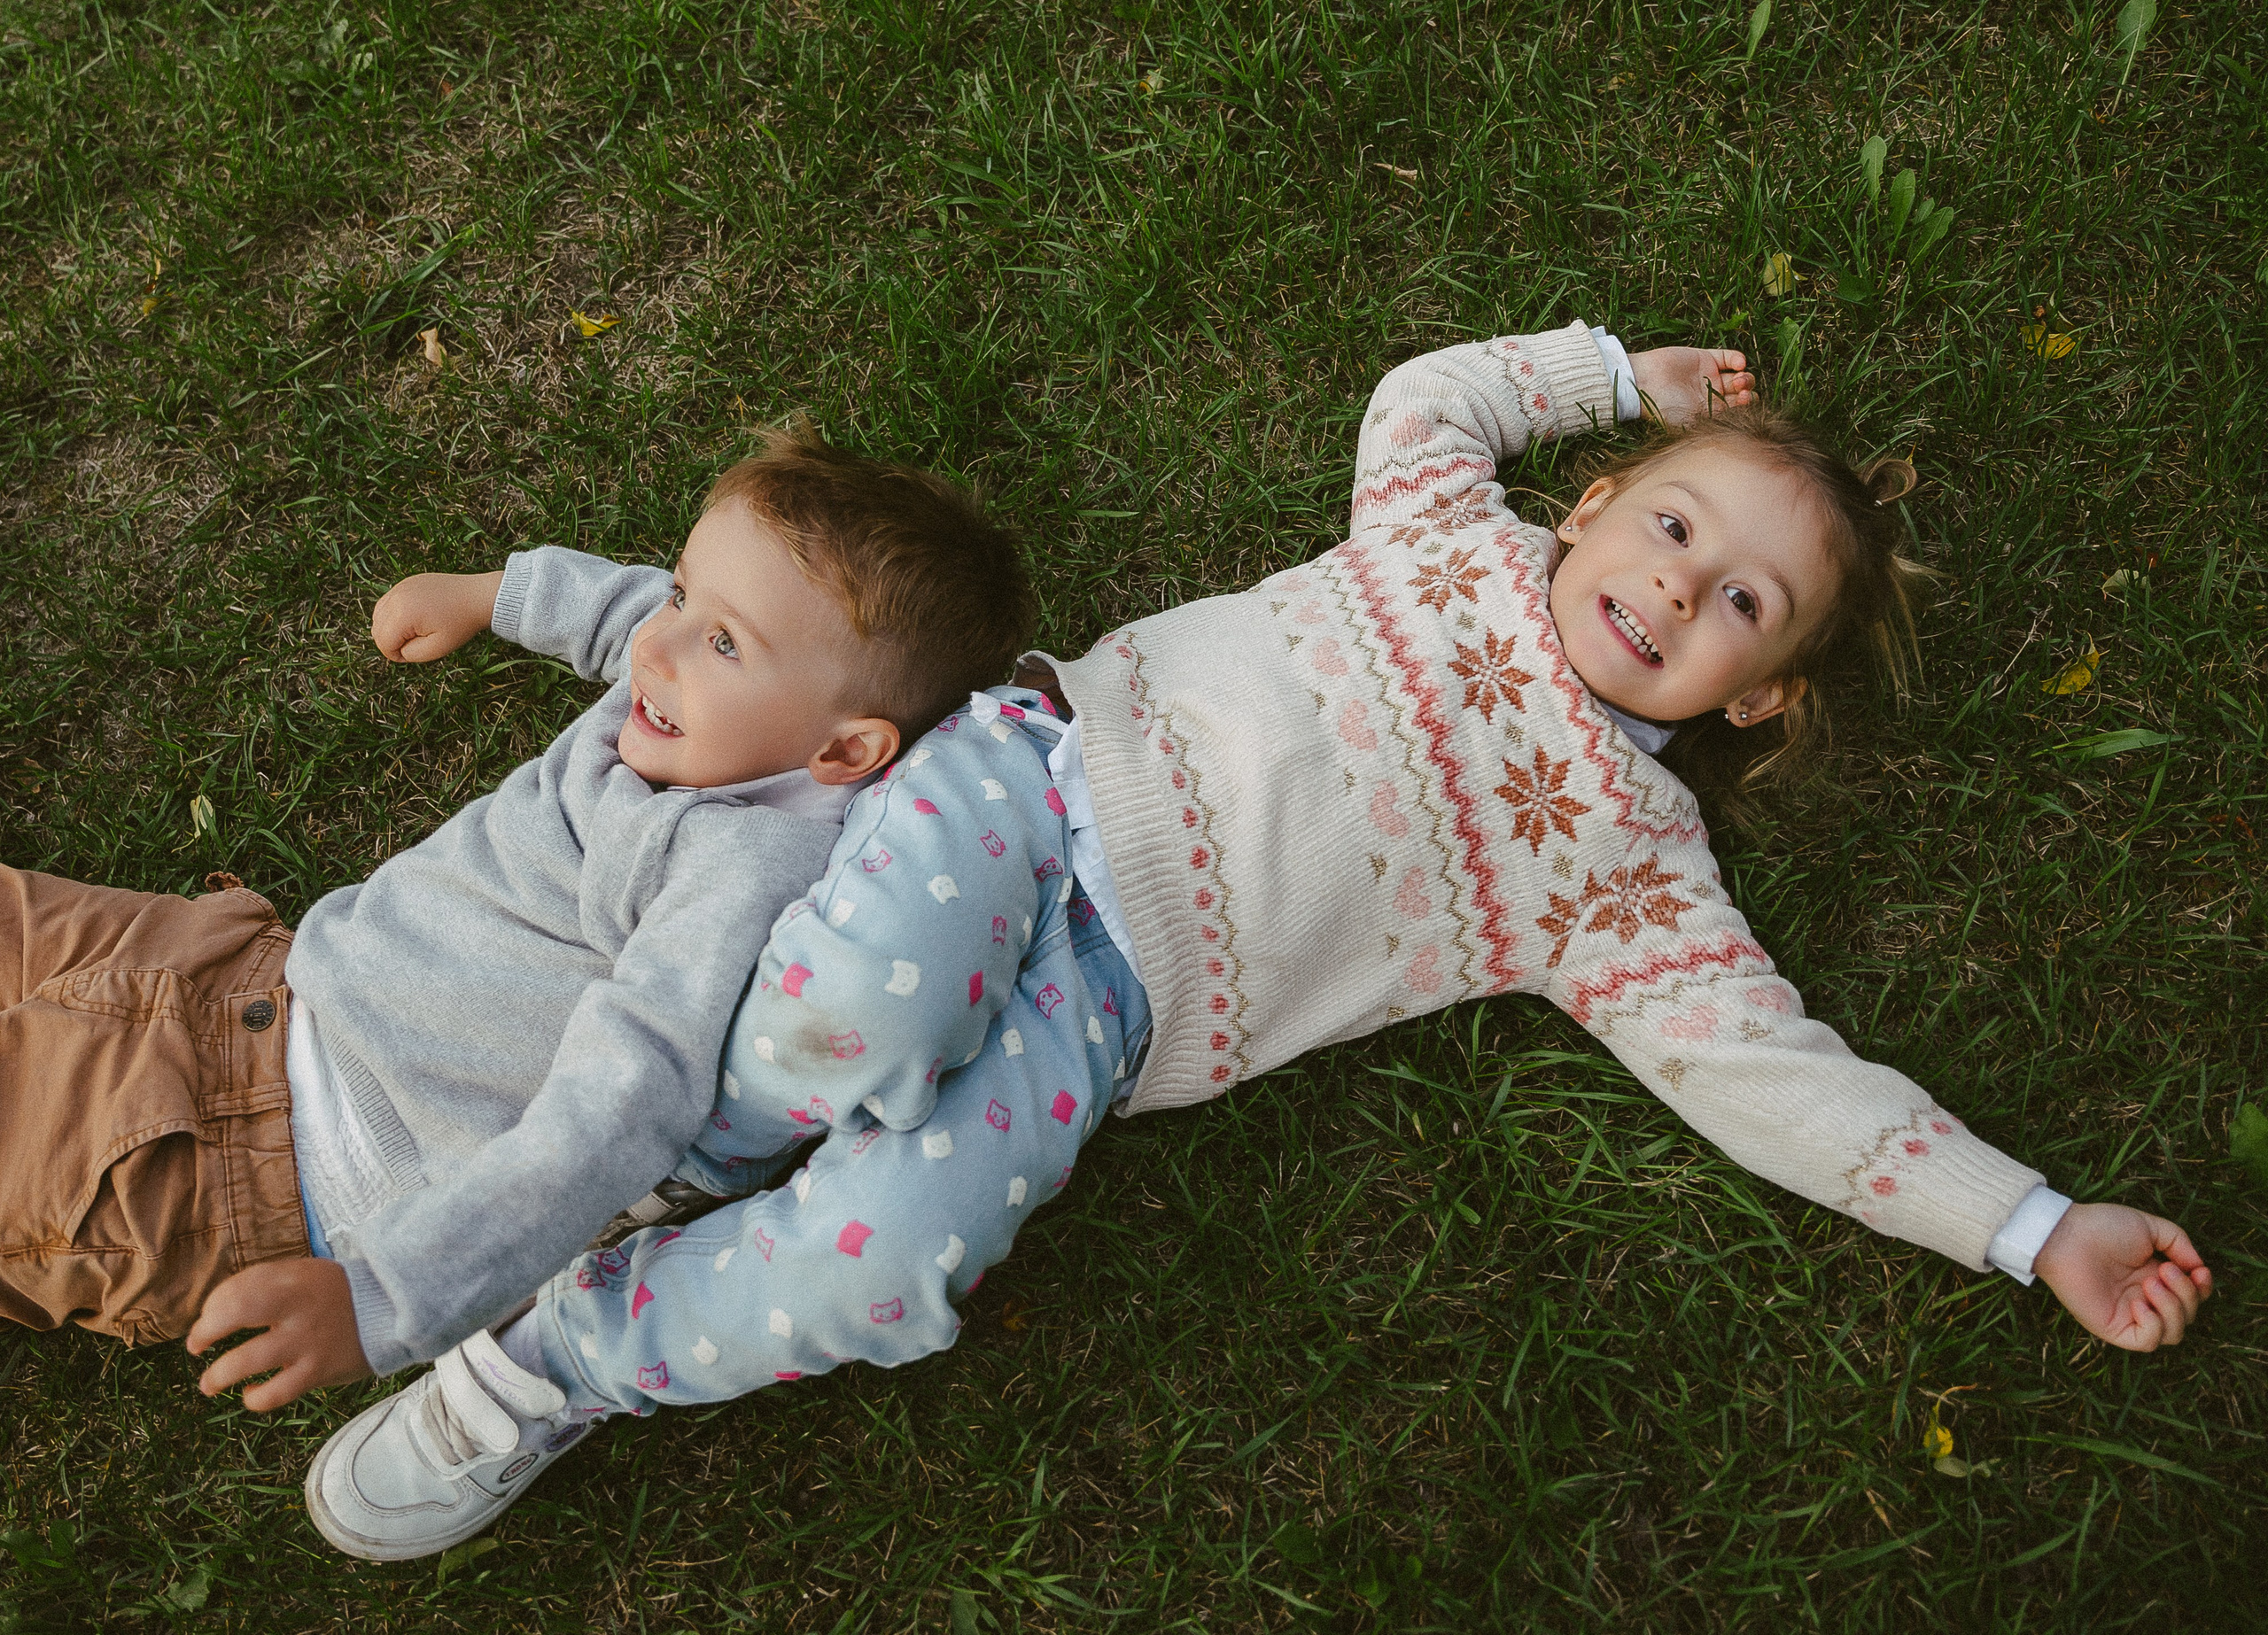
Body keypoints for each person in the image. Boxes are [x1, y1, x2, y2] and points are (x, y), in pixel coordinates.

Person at [299, 322, 2212, 1561]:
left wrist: (2028, 1223)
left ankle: (554, 1360)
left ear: (1756, 697)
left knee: (896, 1266)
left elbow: (1769, 1073)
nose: (1674, 587)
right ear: (1589, 510)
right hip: (1032, 782)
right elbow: (1426, 399)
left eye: (1741, 605)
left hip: (1109, 1020)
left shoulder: (1621, 873)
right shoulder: (1441, 529)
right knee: (843, 1018)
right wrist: (1610, 369)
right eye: (1671, 527)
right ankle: (658, 1155)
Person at [0, 427, 1033, 1414]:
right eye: (685, 593)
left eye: (721, 639)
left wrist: (386, 1297)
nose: (656, 644)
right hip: (238, 974)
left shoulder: (733, 871)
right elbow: (626, 611)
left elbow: (613, 1111)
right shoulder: (707, 708)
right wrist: (492, 595)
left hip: (245, 1155)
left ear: (845, 753)